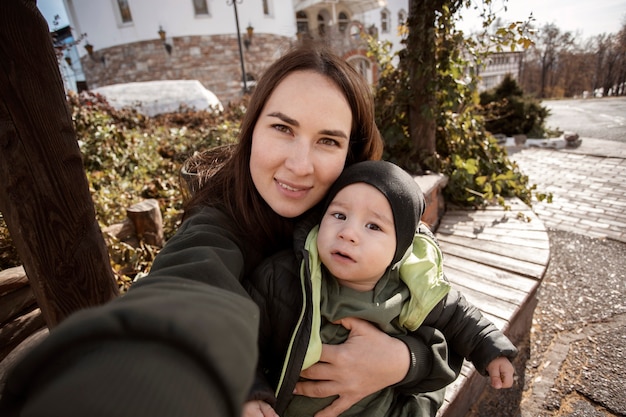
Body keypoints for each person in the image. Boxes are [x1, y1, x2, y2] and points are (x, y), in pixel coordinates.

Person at [0, 44, 457, 417]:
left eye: (328, 140)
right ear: (253, 129)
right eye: (282, 128)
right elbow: (191, 287)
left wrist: (404, 362)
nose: (299, 165)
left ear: (352, 154)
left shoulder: (378, 222)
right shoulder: (220, 224)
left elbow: (452, 331)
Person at [243, 160, 518, 417]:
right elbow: (241, 343)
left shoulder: (413, 290)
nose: (348, 233)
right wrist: (250, 392)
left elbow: (460, 319)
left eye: (373, 226)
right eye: (339, 215)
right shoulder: (282, 277)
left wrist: (492, 351)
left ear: (400, 248)